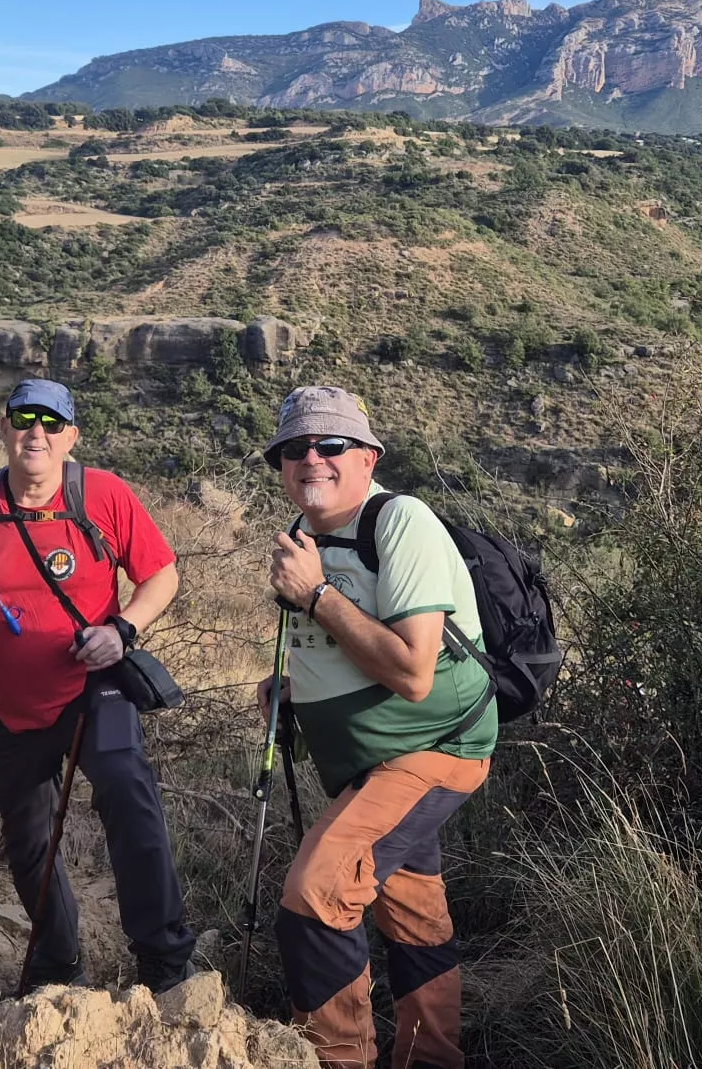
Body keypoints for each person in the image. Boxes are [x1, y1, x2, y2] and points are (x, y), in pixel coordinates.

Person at [0, 378, 195, 991]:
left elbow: (161, 575)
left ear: (71, 436)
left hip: (93, 688)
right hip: (12, 705)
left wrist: (123, 628)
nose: (35, 432)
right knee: (29, 839)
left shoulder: (103, 497)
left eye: (50, 421)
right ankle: (57, 966)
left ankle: (166, 963)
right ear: (5, 427)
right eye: (23, 418)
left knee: (127, 788)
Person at [260, 386, 497, 1069]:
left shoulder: (400, 521)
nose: (312, 459)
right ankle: (433, 1058)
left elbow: (413, 671)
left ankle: (338, 1059)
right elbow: (334, 644)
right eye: (295, 449)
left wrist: (316, 594)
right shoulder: (307, 538)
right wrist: (290, 688)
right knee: (415, 918)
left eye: (330, 445)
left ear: (367, 457)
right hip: (368, 767)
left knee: (317, 897)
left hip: (434, 750)